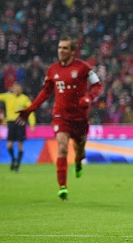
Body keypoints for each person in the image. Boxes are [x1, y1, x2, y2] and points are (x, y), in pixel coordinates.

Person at [17, 38, 103, 200]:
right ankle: (62, 186)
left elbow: (98, 85)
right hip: (60, 115)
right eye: (59, 48)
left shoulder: (83, 67)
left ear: (72, 51)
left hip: (80, 117)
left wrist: (89, 97)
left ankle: (78, 161)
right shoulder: (52, 70)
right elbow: (45, 92)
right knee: (62, 147)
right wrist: (30, 110)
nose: (61, 51)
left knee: (80, 150)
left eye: (65, 48)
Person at [0, 82, 36, 172]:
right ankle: (13, 159)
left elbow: (31, 111)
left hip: (20, 123)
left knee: (20, 144)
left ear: (21, 89)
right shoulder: (8, 96)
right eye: (15, 88)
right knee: (9, 145)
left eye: (18, 88)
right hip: (11, 123)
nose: (17, 89)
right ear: (12, 89)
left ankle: (17, 164)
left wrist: (32, 124)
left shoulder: (25, 99)